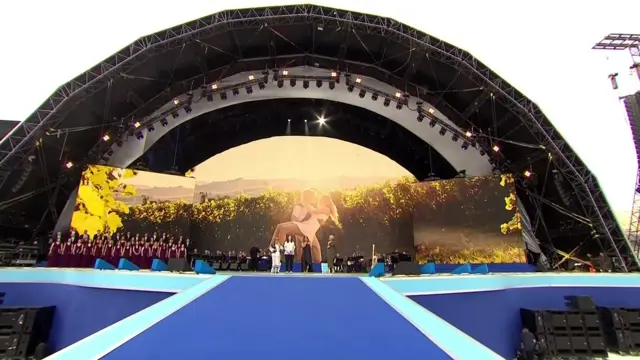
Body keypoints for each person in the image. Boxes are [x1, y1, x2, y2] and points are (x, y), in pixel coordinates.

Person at [269, 190, 339, 263]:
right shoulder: (320, 208)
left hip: (308, 228)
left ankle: (278, 250)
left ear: (325, 201)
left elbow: (313, 211)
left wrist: (305, 203)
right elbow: (312, 216)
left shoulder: (326, 209)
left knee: (283, 229)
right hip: (306, 225)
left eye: (320, 200)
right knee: (279, 226)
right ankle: (271, 246)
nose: (319, 201)